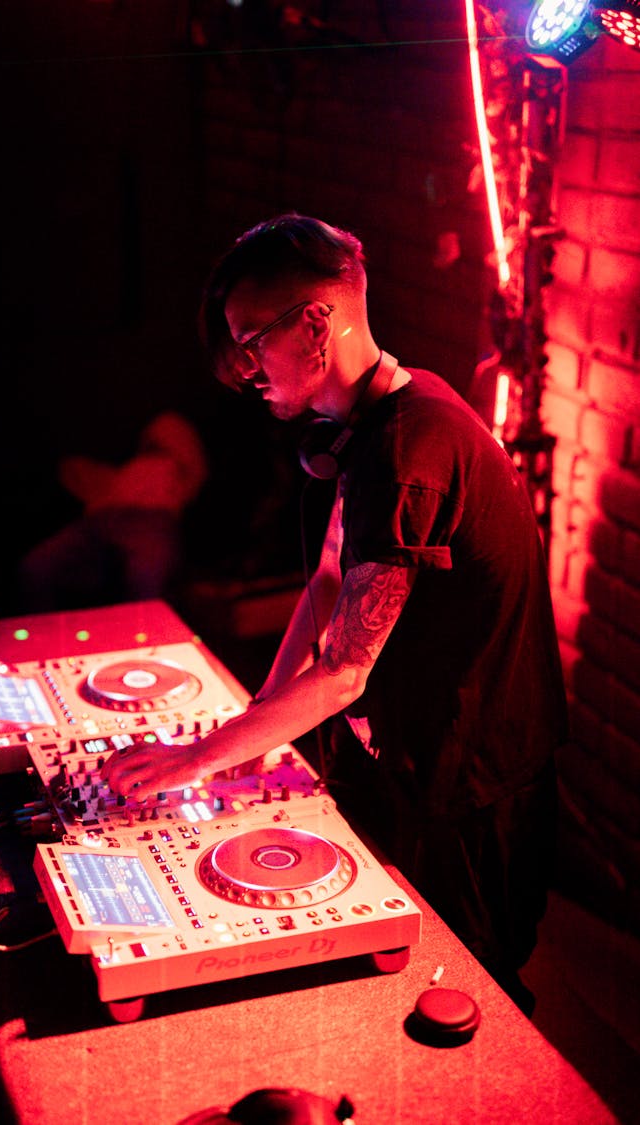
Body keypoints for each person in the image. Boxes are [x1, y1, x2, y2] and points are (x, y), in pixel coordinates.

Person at [102, 214, 569, 1014]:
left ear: (317, 321)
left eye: (254, 341)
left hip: (472, 781)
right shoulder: (370, 418)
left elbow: (347, 667)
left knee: (464, 991)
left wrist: (197, 759)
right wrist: (254, 729)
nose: (247, 369)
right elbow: (324, 588)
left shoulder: (409, 455)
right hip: (407, 753)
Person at [18, 410, 208, 611]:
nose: (156, 437)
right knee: (35, 568)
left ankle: (143, 638)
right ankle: (45, 634)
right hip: (99, 520)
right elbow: (88, 481)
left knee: (146, 579)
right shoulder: (129, 469)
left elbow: (194, 467)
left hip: (149, 522)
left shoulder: (178, 469)